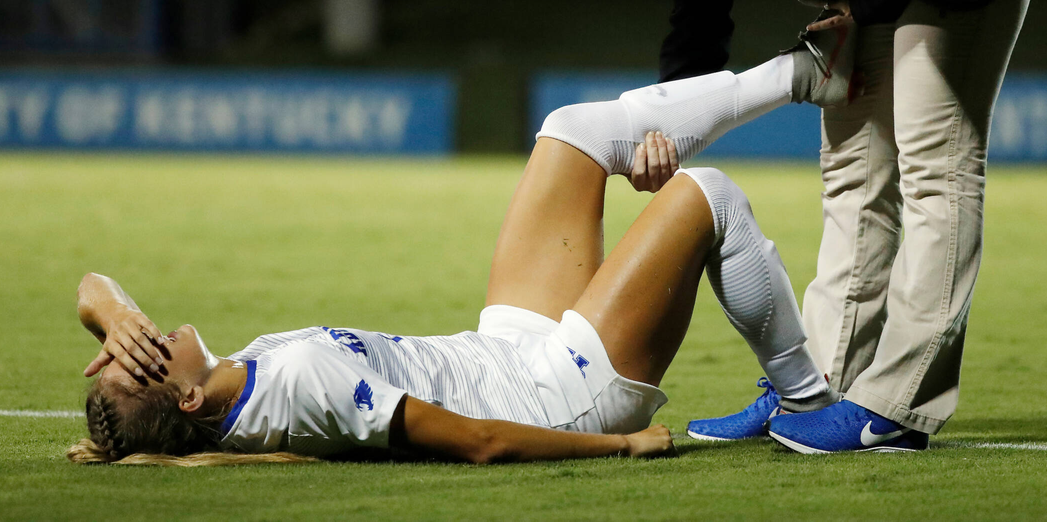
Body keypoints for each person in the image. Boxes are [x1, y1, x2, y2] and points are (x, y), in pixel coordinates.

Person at [532, 0, 1040, 452]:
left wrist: (857, 5)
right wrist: (667, 135)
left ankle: (898, 408)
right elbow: (699, 16)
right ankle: (819, 393)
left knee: (937, 160)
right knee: (854, 168)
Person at [67, 50, 890, 466]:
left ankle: (803, 72)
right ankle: (806, 398)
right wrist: (620, 447)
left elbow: (91, 286)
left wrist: (115, 313)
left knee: (570, 128)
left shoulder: (231, 384)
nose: (125, 341)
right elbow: (476, 443)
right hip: (558, 395)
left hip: (505, 347)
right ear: (182, 401)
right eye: (134, 357)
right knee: (706, 196)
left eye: (119, 344)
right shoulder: (297, 389)